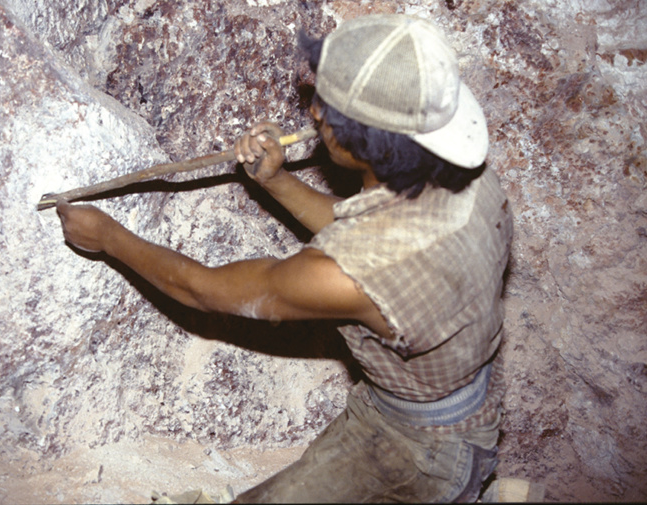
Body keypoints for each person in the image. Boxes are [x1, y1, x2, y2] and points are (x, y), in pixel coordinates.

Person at [55, 14, 512, 503]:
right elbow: (372, 233)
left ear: (362, 143)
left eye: (326, 108)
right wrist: (276, 181)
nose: (312, 112)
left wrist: (108, 237)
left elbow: (202, 290)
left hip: (422, 449)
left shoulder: (346, 277)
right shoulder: (470, 182)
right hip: (447, 399)